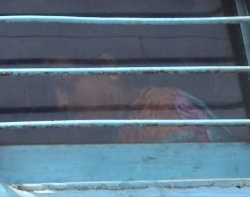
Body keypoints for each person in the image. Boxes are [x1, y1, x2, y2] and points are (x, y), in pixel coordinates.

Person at [49, 55, 227, 144]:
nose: (61, 102)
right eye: (52, 96)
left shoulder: (167, 104)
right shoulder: (120, 132)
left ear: (106, 67)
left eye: (67, 85)